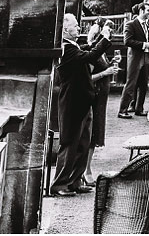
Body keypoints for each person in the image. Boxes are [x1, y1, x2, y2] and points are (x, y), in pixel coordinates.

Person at [48, 14, 114, 197]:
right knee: (70, 144)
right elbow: (91, 55)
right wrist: (106, 38)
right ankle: (60, 184)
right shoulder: (66, 48)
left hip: (83, 101)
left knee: (83, 143)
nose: (79, 29)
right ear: (65, 30)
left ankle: (75, 181)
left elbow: (90, 49)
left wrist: (101, 39)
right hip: (72, 103)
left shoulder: (73, 46)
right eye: (76, 26)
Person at [83, 19, 119, 184]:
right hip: (94, 97)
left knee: (96, 133)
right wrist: (105, 73)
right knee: (92, 133)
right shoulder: (92, 53)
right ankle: (86, 169)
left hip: (101, 98)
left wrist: (111, 66)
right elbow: (87, 78)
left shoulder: (101, 52)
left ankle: (86, 168)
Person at [118, 2, 149, 117]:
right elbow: (127, 41)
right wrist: (145, 44)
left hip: (146, 56)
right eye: (148, 10)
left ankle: (139, 108)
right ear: (141, 11)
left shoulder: (147, 24)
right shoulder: (131, 24)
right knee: (131, 83)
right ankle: (122, 110)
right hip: (135, 57)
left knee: (144, 84)